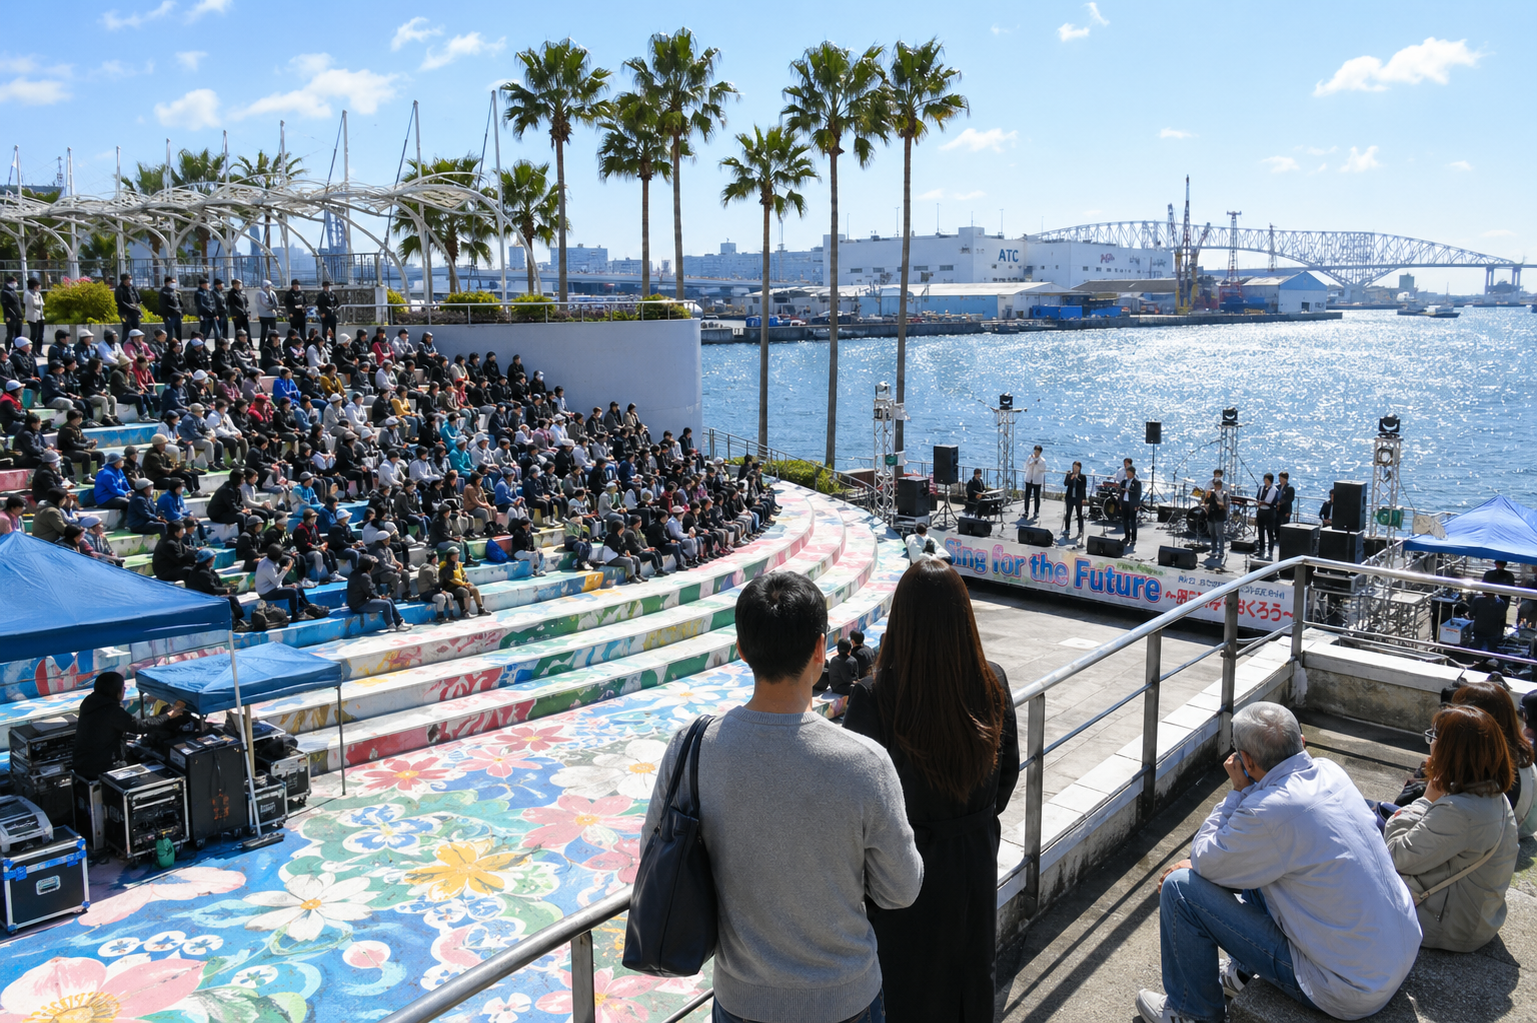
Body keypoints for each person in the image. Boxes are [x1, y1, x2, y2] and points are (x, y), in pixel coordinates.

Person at [639, 571, 922, 1023]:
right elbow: (902, 890)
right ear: (818, 649)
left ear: (743, 649)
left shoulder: (690, 748)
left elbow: (654, 853)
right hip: (845, 999)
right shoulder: (865, 762)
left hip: (742, 1000)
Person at [1137, 703, 1420, 1023]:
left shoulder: (1265, 810)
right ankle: (1242, 973)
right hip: (1397, 951)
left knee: (1181, 890)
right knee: (1265, 864)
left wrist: (1238, 792)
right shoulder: (1331, 771)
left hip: (1346, 987)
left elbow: (1205, 861)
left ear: (1246, 761)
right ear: (1301, 741)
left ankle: (1193, 1013)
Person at [843, 559, 1018, 1022]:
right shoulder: (992, 680)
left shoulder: (874, 695)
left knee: (908, 990)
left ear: (901, 619)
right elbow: (1007, 777)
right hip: (974, 860)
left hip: (903, 872)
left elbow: (855, 804)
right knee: (971, 980)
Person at [1385, 704, 1519, 952]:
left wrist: (1426, 799)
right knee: (1376, 811)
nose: (1431, 742)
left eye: (1435, 736)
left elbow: (1395, 855)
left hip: (1447, 927)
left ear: (1454, 751)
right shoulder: (1491, 792)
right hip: (1480, 917)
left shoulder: (1460, 812)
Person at [72, 672, 187, 781]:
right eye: (123, 687)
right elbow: (139, 726)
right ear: (115, 690)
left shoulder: (89, 702)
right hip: (101, 768)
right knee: (152, 769)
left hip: (81, 764)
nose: (124, 690)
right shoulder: (112, 711)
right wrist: (169, 715)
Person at [346, 554, 411, 631]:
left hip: (355, 603)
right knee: (386, 604)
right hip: (358, 605)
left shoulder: (354, 573)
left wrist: (380, 597)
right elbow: (371, 593)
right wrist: (380, 597)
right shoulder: (364, 576)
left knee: (389, 600)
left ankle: (400, 622)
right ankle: (391, 626)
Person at [1203, 479, 1229, 569]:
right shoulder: (1211, 493)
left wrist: (1221, 504)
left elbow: (1226, 506)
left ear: (1220, 486)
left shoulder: (1224, 493)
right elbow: (1206, 501)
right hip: (1211, 515)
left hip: (1220, 516)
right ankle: (1214, 549)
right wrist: (1207, 496)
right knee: (1212, 533)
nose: (1216, 487)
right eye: (1215, 485)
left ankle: (1221, 551)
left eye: (1217, 485)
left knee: (1220, 534)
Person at [1255, 473, 1280, 560]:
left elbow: (1271, 502)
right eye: (1265, 480)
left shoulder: (1274, 489)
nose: (1266, 482)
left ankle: (1270, 552)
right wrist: (1259, 502)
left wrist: (1263, 502)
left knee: (1270, 532)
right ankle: (1261, 550)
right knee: (1260, 532)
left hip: (1269, 513)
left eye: (1267, 480)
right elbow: (1258, 497)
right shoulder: (1261, 488)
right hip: (1261, 511)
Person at [1062, 461, 1087, 541]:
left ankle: (1080, 530)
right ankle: (1067, 529)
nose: (1075, 469)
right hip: (1070, 497)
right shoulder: (1069, 475)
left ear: (1079, 468)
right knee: (1068, 513)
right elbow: (1065, 484)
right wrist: (1070, 478)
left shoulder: (1082, 477)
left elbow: (1083, 487)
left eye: (1076, 467)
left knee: (1079, 514)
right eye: (1074, 467)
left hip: (1078, 498)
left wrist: (1084, 498)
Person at [1121, 465, 1142, 550]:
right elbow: (1120, 491)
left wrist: (1137, 505)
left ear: (1133, 474)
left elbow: (1138, 494)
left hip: (1132, 503)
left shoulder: (1137, 483)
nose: (1128, 475)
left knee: (1132, 521)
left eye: (1129, 473)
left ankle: (1133, 538)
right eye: (1127, 473)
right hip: (1125, 502)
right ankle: (1127, 537)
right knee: (1125, 520)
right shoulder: (1124, 481)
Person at [1023, 444, 1046, 520]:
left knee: (1036, 496)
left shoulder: (1042, 460)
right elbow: (1026, 465)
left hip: (1037, 480)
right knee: (1027, 496)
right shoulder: (1030, 457)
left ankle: (1036, 511)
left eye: (1038, 451)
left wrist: (1037, 464)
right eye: (1035, 451)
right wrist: (1032, 462)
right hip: (1029, 479)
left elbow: (1043, 468)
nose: (1036, 453)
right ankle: (1026, 511)